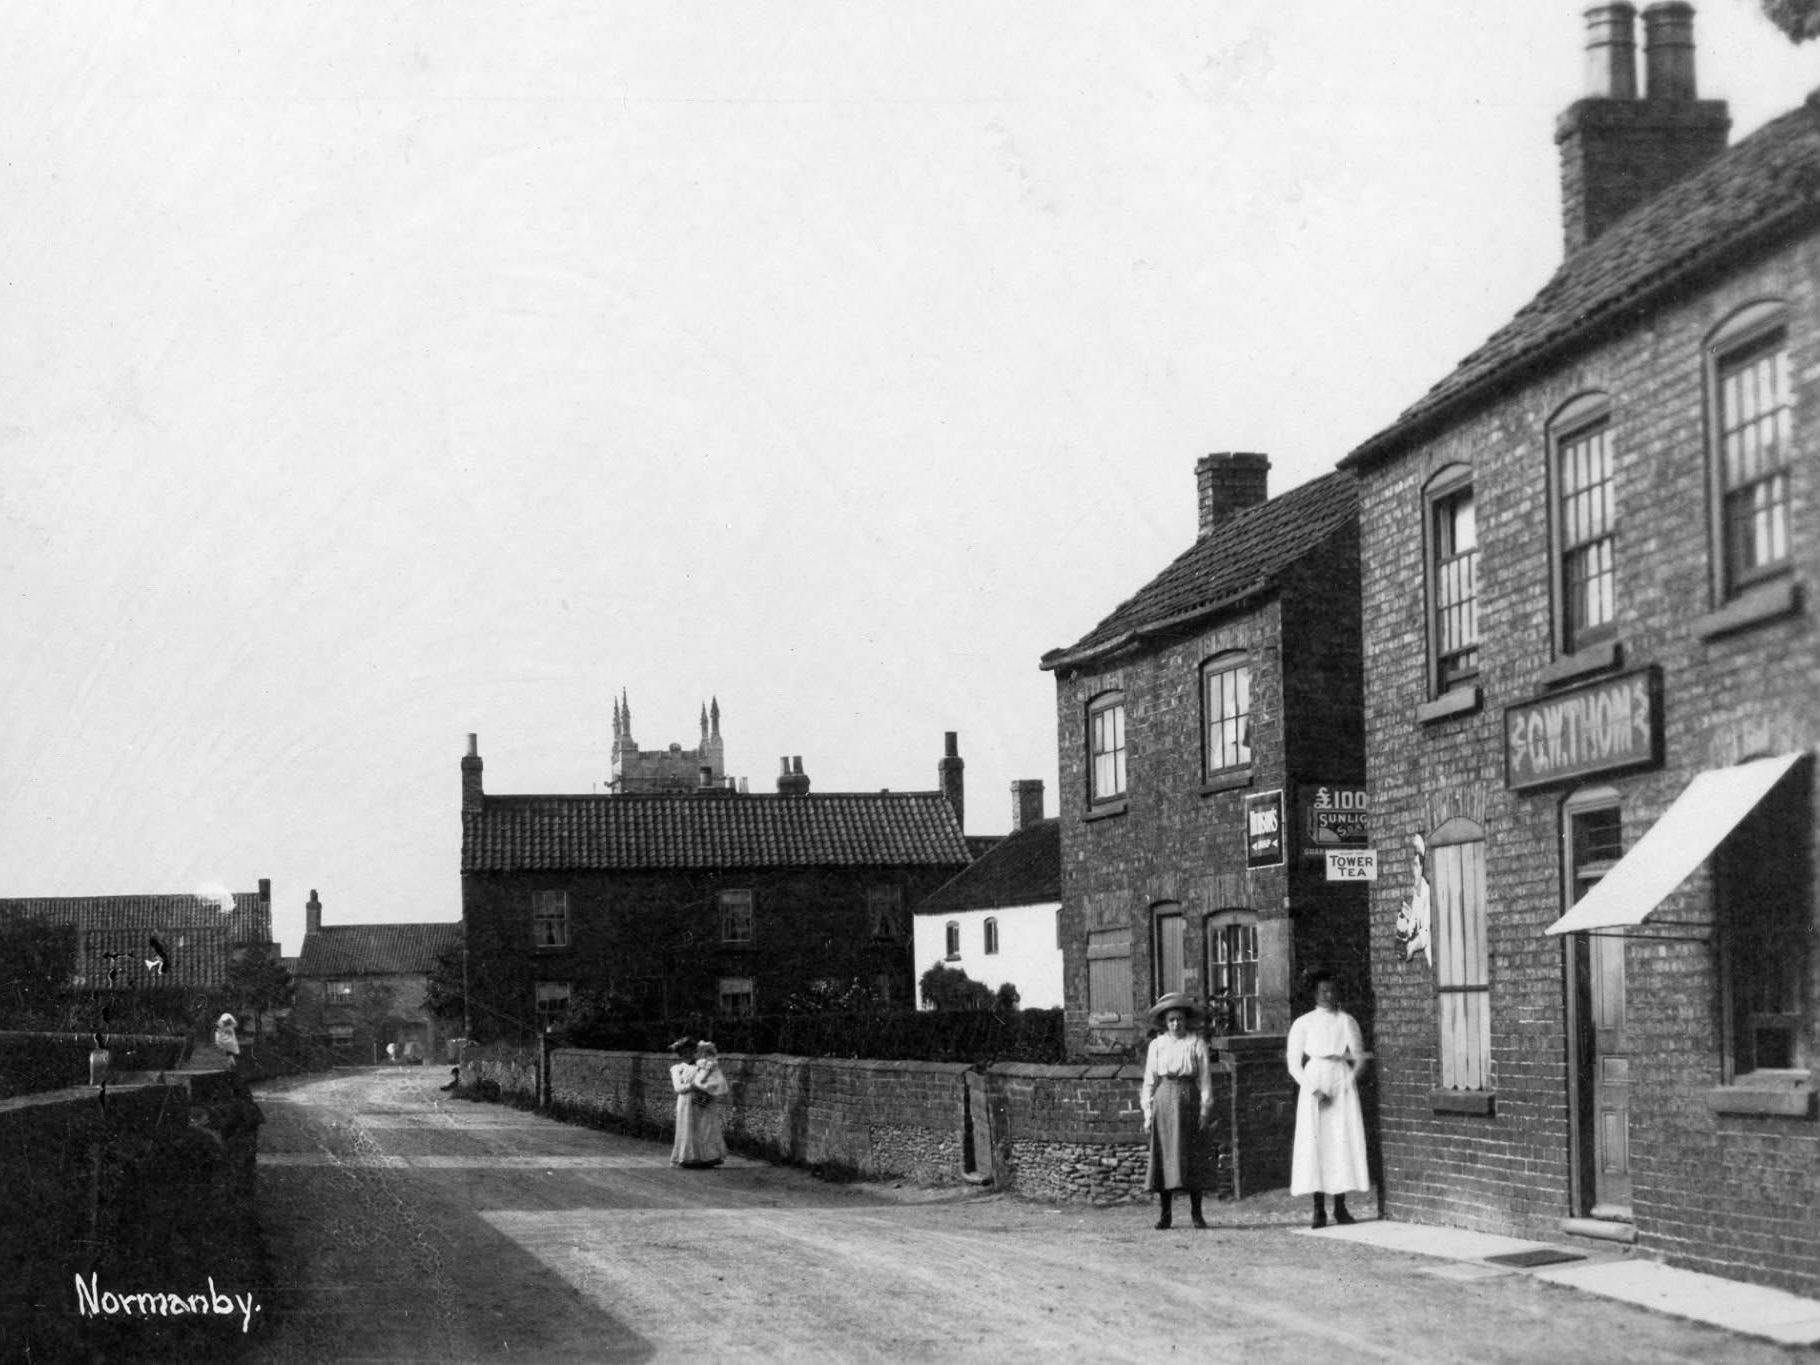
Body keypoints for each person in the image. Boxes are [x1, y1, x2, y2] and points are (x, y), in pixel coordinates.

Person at [1286, 970, 1371, 1228]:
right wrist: (1314, 1090)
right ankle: (1318, 1209)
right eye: (1323, 991)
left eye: (1333, 990)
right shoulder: (1303, 1023)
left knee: (1339, 1142)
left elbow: (1359, 1059)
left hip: (1340, 1083)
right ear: (1314, 993)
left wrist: (1345, 1084)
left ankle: (1340, 1207)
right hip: (1314, 1082)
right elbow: (1294, 1065)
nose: (1329, 995)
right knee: (1316, 1144)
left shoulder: (1347, 1021)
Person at [1140, 992, 1214, 1230]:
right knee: (1164, 1157)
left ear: (1186, 1020)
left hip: (1188, 1099)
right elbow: (1149, 1081)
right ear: (1165, 1022)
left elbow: (1205, 1080)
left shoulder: (1196, 1043)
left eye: (1179, 1019)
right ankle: (1165, 1214)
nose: (1176, 1024)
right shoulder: (1157, 1045)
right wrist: (1147, 1113)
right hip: (1164, 1099)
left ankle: (1197, 1214)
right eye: (1171, 1020)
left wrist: (1204, 1109)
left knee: (1192, 1156)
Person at [681, 1041, 730, 1168]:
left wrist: (705, 1091)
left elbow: (717, 1084)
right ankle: (697, 1157)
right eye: (700, 1052)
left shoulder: (711, 1067)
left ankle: (708, 1157)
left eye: (704, 1053)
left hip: (706, 1100)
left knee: (707, 1128)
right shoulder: (699, 1066)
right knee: (697, 1129)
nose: (700, 1055)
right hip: (697, 1099)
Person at [668, 1037, 698, 1166]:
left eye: (690, 1051)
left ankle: (701, 1158)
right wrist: (693, 1086)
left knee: (701, 1128)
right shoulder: (677, 1068)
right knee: (686, 1128)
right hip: (685, 1101)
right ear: (680, 1054)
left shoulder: (701, 1067)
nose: (687, 1054)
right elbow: (678, 1088)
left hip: (700, 1100)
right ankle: (685, 1157)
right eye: (684, 1052)